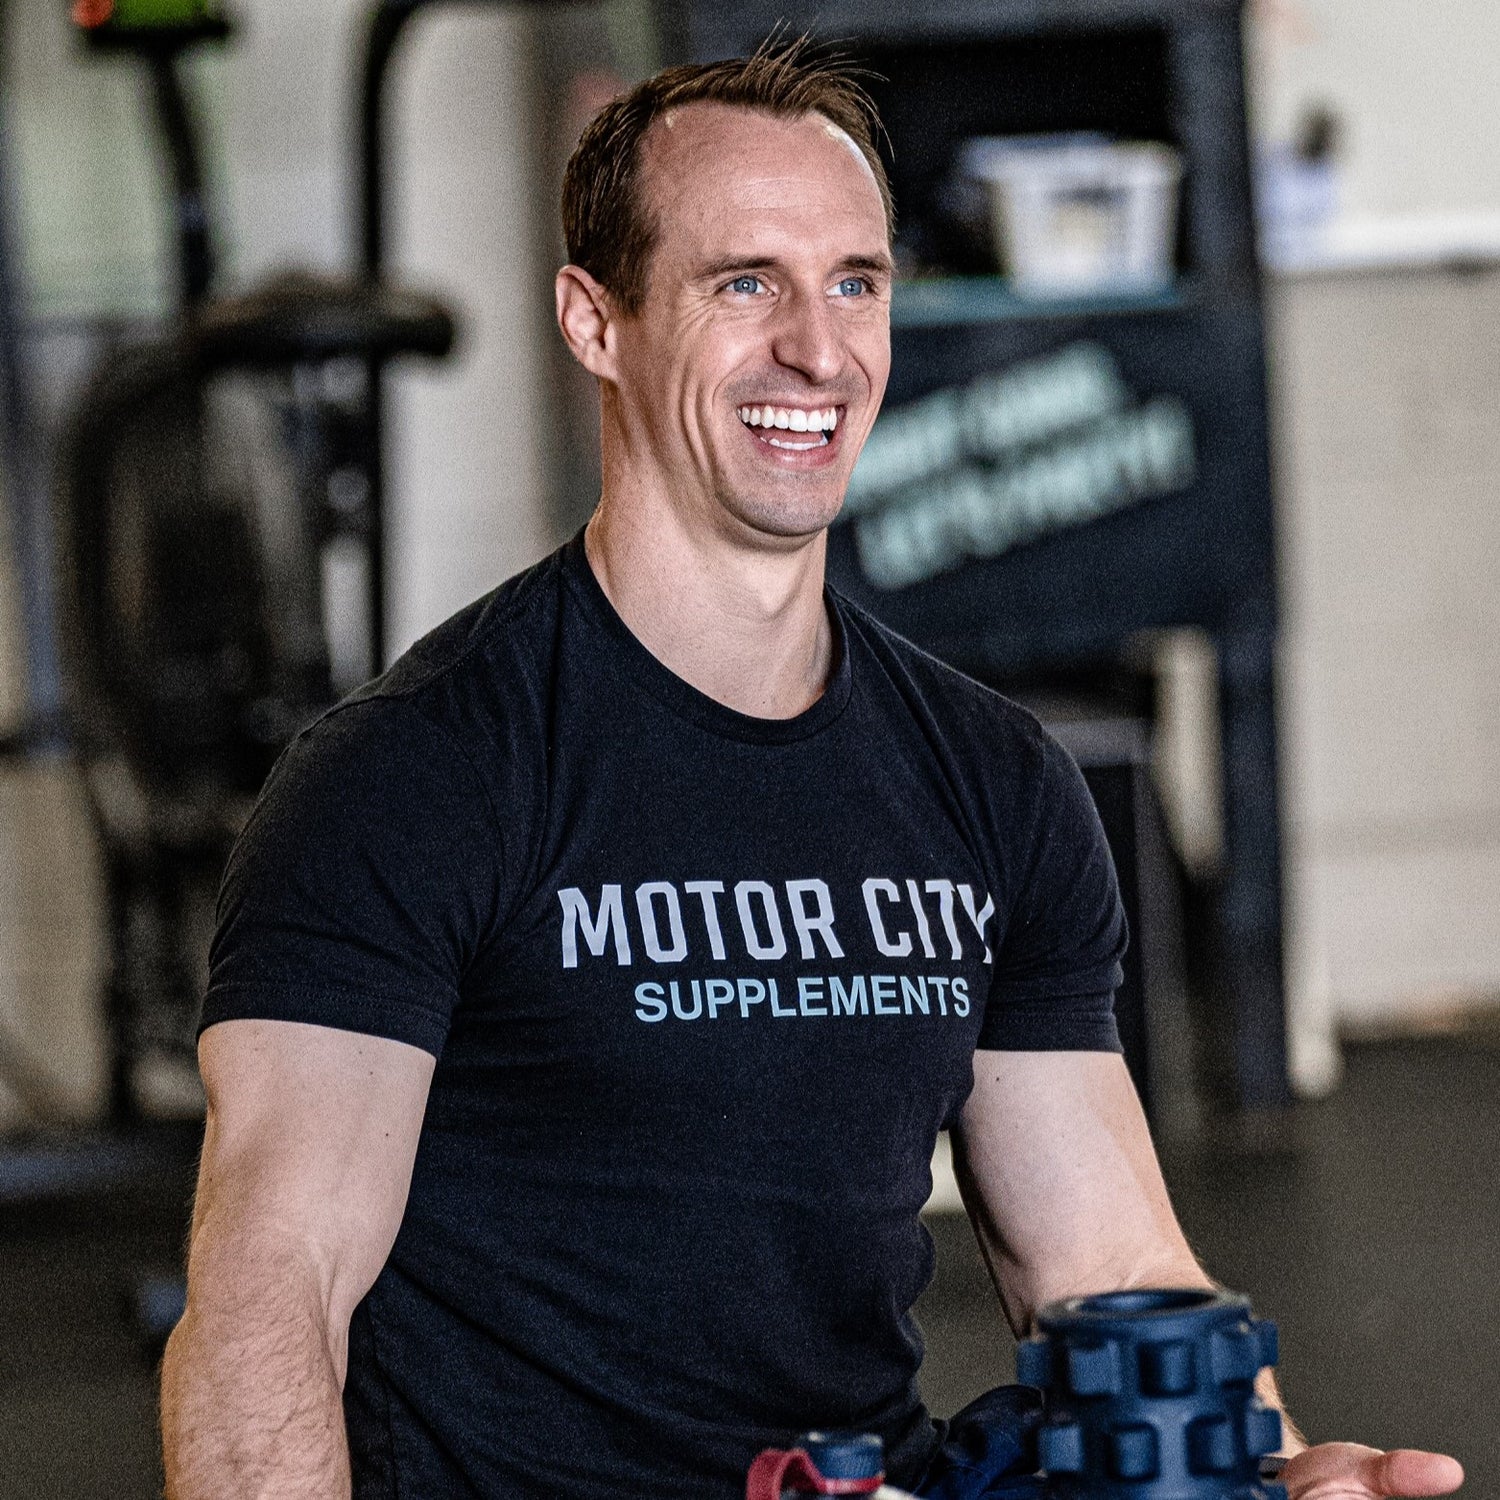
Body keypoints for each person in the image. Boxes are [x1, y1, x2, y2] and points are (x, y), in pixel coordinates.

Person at [160, 41, 1464, 1500]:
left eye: (857, 280)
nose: (820, 349)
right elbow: (271, 1292)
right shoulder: (411, 778)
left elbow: (1105, 1268)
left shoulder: (989, 783)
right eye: (745, 284)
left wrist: (1270, 1471)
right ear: (596, 322)